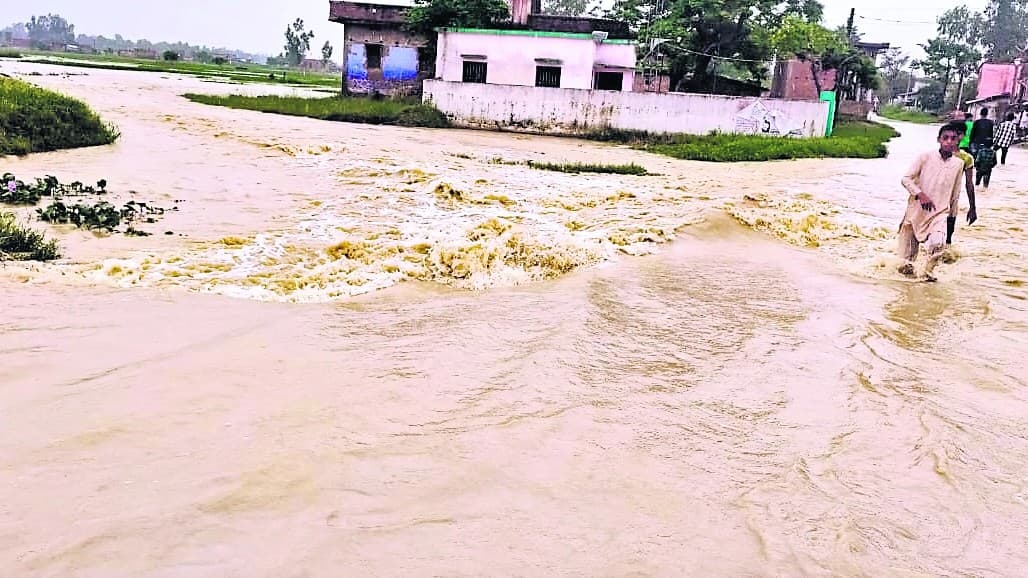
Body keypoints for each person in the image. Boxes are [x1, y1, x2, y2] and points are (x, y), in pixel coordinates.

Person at [898, 121, 977, 281]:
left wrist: (953, 217)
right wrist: (920, 194)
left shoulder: (959, 163)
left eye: (953, 138)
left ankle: (927, 277)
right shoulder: (925, 157)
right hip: (916, 212)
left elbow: (955, 193)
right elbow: (906, 179)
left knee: (937, 245)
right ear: (939, 140)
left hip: (939, 214)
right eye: (945, 138)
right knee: (906, 264)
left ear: (959, 141)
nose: (949, 142)